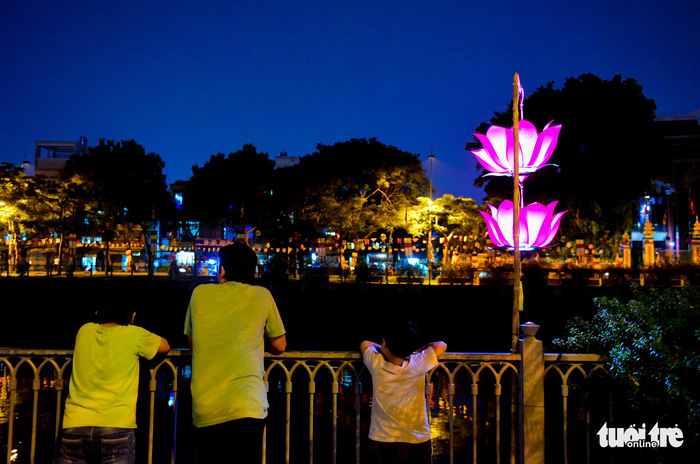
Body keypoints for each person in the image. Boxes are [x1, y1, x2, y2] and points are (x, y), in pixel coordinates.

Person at [184, 243, 286, 463]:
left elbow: (193, 342)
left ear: (222, 269)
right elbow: (280, 346)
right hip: (247, 405)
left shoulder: (199, 293)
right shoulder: (262, 295)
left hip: (207, 407)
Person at [58, 295, 170, 464]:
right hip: (116, 426)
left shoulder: (84, 330)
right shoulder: (134, 334)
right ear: (131, 316)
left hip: (75, 425)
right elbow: (165, 346)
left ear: (97, 313)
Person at [361, 318, 447, 464]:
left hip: (382, 440)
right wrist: (413, 351)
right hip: (417, 440)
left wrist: (383, 350)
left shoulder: (376, 363)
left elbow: (365, 344)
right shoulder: (419, 362)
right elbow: (441, 345)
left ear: (385, 343)